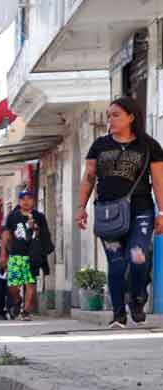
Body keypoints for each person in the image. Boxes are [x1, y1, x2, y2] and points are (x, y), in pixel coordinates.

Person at [77, 96, 163, 328]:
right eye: (108, 116)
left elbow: (158, 180)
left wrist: (162, 212)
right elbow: (88, 178)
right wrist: (80, 208)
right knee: (116, 265)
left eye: (116, 115)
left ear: (131, 117)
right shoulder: (100, 145)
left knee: (138, 256)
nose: (110, 120)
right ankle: (118, 315)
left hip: (141, 211)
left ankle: (137, 299)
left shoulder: (149, 146)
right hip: (108, 213)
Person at [1, 189, 53, 321]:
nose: (26, 202)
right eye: (23, 199)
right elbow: (6, 235)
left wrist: (35, 228)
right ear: (19, 201)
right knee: (12, 285)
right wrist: (3, 253)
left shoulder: (39, 216)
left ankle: (26, 312)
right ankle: (18, 300)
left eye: (29, 199)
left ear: (33, 201)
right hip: (16, 255)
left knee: (31, 283)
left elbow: (45, 235)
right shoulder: (13, 216)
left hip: (32, 255)